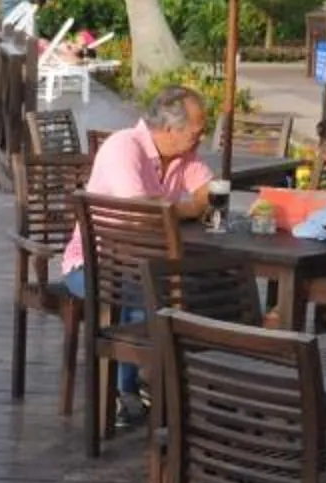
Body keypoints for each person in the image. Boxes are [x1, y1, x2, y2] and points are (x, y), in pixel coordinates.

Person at [62, 84, 214, 422]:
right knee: (146, 293)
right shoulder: (124, 146)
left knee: (214, 283)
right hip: (94, 263)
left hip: (148, 263)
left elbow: (208, 195)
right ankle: (125, 390)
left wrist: (176, 207)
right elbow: (139, 214)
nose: (203, 136)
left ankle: (202, 385)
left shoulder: (182, 155)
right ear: (171, 129)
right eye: (198, 130)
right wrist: (185, 208)